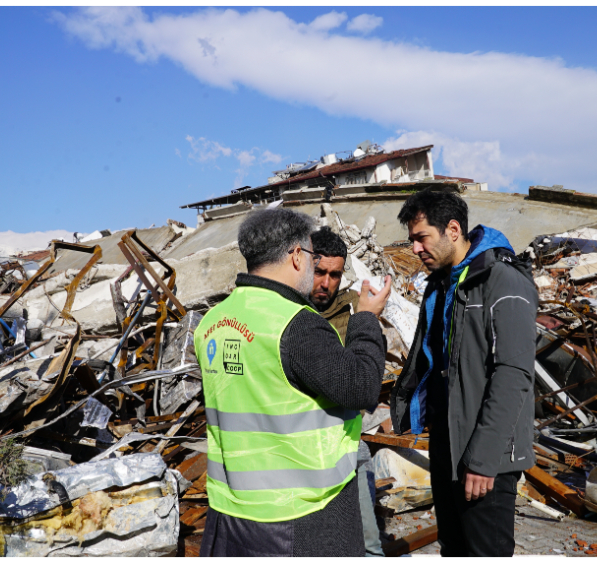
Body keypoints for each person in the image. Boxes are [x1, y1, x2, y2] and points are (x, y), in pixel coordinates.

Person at [195, 208, 392, 557]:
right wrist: (365, 318)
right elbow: (361, 387)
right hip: (300, 515)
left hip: (231, 511)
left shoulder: (213, 320)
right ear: (298, 256)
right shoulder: (296, 324)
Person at [389, 189, 538, 557]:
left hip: (485, 454)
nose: (415, 249)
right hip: (447, 444)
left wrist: (484, 461)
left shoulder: (502, 281)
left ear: (453, 230)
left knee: (485, 551)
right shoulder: (440, 284)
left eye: (422, 237)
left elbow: (513, 374)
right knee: (454, 549)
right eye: (412, 240)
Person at [309, 226, 383, 557]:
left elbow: (365, 378)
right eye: (319, 272)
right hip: (302, 452)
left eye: (335, 275)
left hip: (348, 446)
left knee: (368, 544)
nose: (326, 283)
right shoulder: (286, 312)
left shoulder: (355, 310)